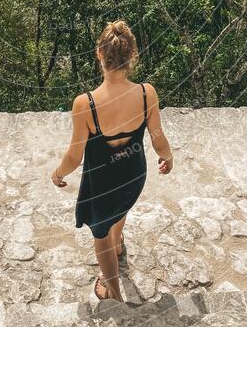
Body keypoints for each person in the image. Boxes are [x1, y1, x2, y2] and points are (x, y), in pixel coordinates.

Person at [51, 20, 174, 301]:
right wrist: (168, 157)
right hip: (133, 173)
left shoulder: (85, 104)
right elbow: (157, 137)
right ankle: (117, 244)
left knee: (100, 237)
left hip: (102, 181)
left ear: (99, 54)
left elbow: (74, 155)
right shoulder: (146, 93)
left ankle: (114, 293)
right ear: (133, 56)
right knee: (121, 206)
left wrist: (58, 173)